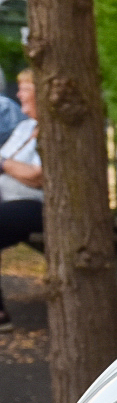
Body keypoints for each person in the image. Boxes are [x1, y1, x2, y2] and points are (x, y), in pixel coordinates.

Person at [0, 69, 41, 335]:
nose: (18, 94)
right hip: (10, 201)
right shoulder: (25, 127)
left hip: (37, 204)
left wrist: (5, 165)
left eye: (25, 88)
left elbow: (37, 176)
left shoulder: (56, 132)